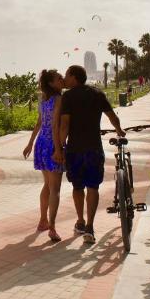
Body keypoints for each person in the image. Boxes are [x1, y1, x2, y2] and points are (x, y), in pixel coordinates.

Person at [52, 64, 125, 245]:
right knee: (93, 187)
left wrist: (59, 148)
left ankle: (81, 222)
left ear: (74, 77)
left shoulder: (68, 97)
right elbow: (112, 116)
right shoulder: (97, 94)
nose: (65, 79)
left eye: (67, 76)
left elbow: (64, 125)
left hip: (75, 150)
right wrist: (119, 130)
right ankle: (90, 226)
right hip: (94, 148)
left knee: (78, 187)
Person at [22, 69, 65, 242]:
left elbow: (39, 122)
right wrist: (58, 148)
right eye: (58, 78)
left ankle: (43, 221)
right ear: (51, 83)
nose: (62, 79)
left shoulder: (43, 99)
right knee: (55, 189)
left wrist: (31, 143)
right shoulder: (58, 99)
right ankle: (52, 228)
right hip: (51, 144)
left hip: (41, 143)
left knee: (47, 185)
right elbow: (55, 126)